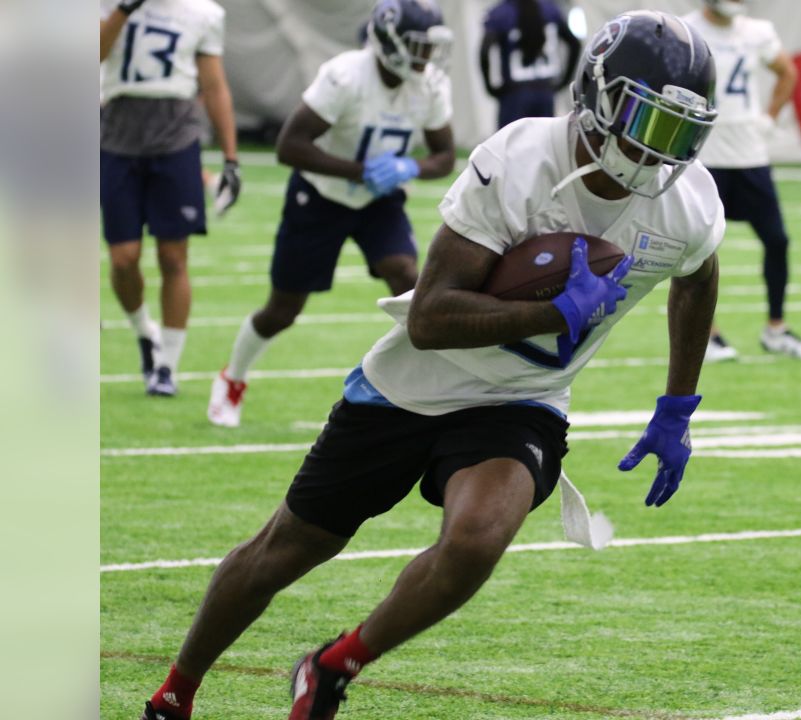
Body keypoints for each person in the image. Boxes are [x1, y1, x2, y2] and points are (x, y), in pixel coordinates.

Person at [139, 11, 722, 720]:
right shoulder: (519, 160)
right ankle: (178, 687)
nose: (663, 151)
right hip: (408, 386)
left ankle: (334, 665)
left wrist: (677, 406)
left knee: (477, 540)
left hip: (522, 397)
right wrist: (553, 313)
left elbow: (697, 275)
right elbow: (431, 317)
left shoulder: (689, 204)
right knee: (286, 548)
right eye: (650, 122)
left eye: (682, 132)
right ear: (598, 94)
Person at [205, 0, 456, 428]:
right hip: (320, 196)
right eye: (417, 45)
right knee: (283, 309)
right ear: (390, 41)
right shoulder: (345, 76)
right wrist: (359, 171)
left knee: (407, 278)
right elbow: (291, 145)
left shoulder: (428, 85)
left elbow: (445, 155)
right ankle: (232, 378)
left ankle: (424, 386)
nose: (426, 57)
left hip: (379, 200)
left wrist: (408, 166)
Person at [100, 0, 240, 396]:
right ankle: (145, 331)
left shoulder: (203, 12)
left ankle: (167, 367)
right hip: (117, 132)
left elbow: (213, 86)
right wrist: (125, 10)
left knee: (173, 256)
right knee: (123, 259)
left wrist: (231, 158)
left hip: (176, 134)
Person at [685, 0, 801, 362]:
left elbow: (788, 73)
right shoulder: (687, 30)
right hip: (707, 155)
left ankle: (776, 329)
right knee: (699, 249)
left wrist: (769, 117)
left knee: (777, 239)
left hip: (750, 154)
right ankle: (708, 335)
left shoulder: (756, 31)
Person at [479, 0, 581, 129]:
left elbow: (484, 51)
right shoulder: (550, 8)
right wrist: (564, 81)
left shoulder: (500, 12)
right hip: (545, 91)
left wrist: (490, 86)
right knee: (544, 144)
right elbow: (574, 43)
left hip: (514, 93)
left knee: (509, 145)